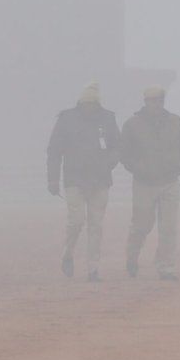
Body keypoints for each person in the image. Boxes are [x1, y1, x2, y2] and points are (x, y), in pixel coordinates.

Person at [119, 85, 180, 280]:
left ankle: (166, 267)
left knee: (168, 228)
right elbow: (125, 155)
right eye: (152, 101)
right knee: (142, 225)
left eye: (159, 101)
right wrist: (139, 169)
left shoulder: (175, 122)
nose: (156, 104)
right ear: (145, 102)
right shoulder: (132, 125)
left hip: (170, 181)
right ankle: (132, 256)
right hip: (144, 183)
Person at [46, 82, 120, 281]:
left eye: (93, 104)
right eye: (87, 104)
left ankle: (93, 269)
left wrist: (108, 165)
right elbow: (54, 151)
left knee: (96, 226)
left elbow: (117, 147)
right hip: (75, 179)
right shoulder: (66, 119)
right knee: (76, 221)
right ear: (80, 103)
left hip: (100, 180)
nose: (90, 108)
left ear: (98, 104)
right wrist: (53, 178)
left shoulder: (108, 119)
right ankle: (68, 253)